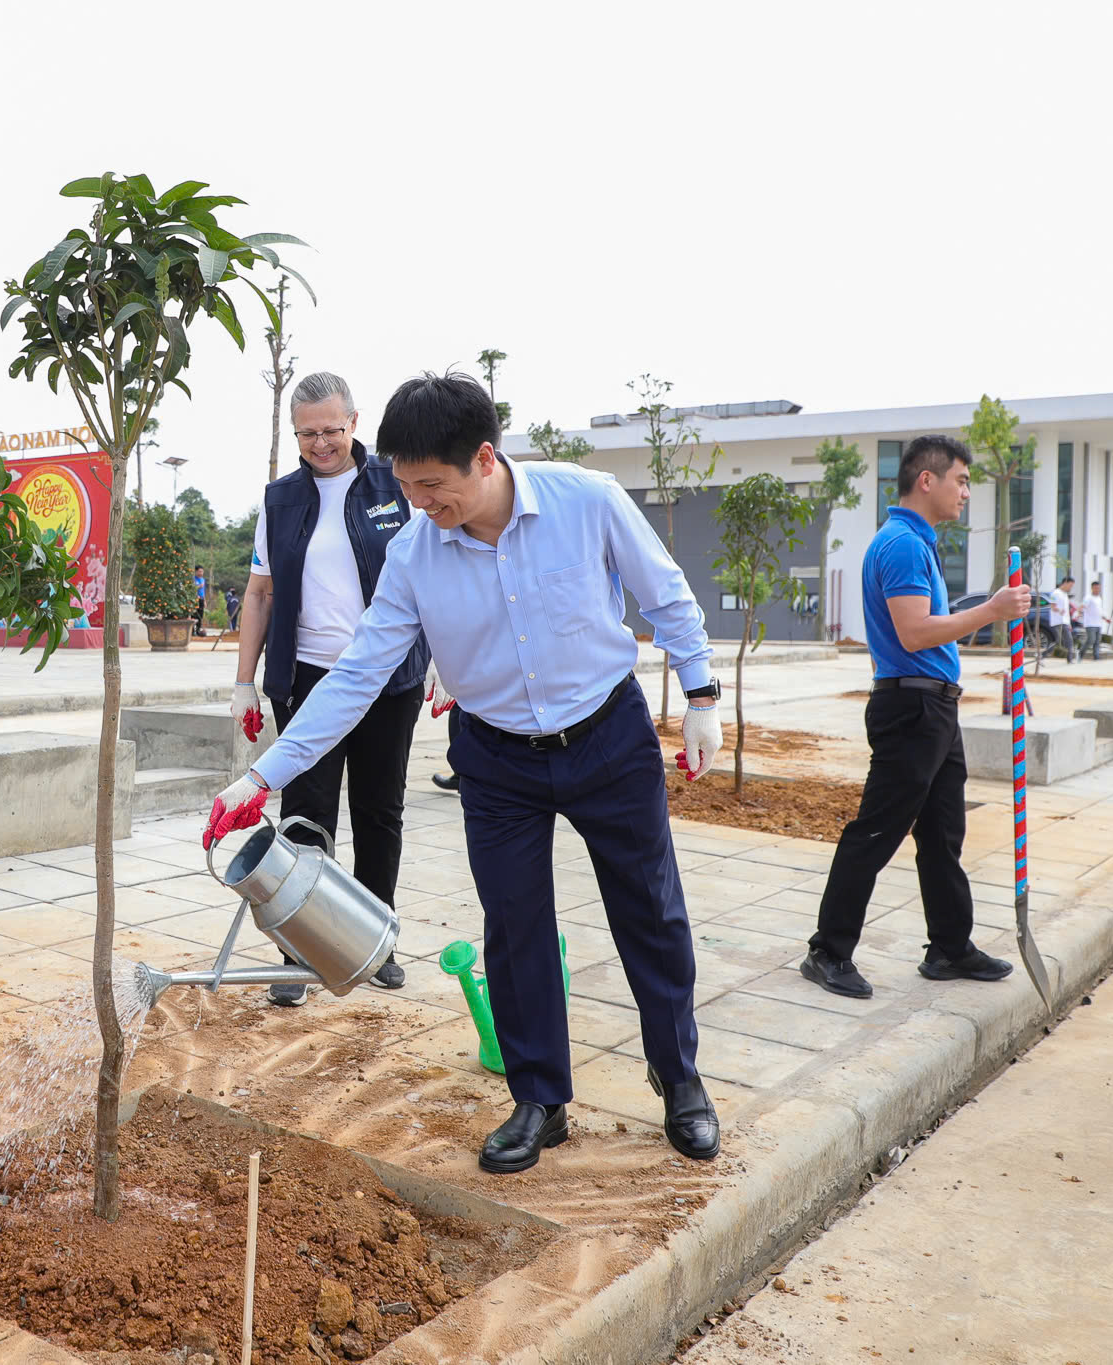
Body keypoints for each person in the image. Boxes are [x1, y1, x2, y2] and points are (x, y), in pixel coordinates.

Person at [205, 372, 726, 1173]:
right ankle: (540, 1096)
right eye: (407, 485)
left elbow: (666, 595)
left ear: (485, 458)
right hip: (496, 754)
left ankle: (680, 1075)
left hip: (605, 735)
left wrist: (700, 693)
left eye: (430, 485)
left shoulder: (586, 500)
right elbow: (355, 674)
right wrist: (263, 776)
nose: (415, 502)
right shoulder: (415, 551)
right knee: (513, 927)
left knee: (650, 910)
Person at [801, 435, 1031, 1001]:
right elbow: (915, 630)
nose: (967, 493)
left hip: (934, 706)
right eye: (961, 480)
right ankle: (827, 951)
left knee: (943, 832)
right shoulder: (901, 544)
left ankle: (950, 947)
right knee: (876, 832)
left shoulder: (917, 542)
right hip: (911, 709)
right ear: (926, 480)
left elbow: (928, 628)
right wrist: (993, 610)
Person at [230, 372, 424, 1004]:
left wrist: (443, 662)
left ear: (354, 422)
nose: (320, 444)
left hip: (387, 677)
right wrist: (244, 684)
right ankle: (298, 952)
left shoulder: (394, 484)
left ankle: (376, 940)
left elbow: (435, 577)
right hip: (307, 677)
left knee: (378, 811)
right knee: (305, 816)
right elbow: (260, 595)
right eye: (306, 434)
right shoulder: (281, 500)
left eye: (331, 431)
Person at [1047, 575, 1074, 663]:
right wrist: (1059, 610)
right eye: (1070, 585)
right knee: (1061, 641)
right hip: (1057, 621)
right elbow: (1052, 606)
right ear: (1065, 583)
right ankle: (1044, 655)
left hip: (1065, 622)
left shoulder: (1065, 595)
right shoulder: (1055, 593)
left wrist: (1069, 623)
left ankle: (1069, 659)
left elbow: (1066, 611)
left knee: (1065, 641)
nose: (1070, 587)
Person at [1080, 580, 1105, 660]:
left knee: (1097, 641)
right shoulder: (1088, 597)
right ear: (1092, 588)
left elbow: (1099, 611)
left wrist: (1105, 618)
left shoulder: (1099, 598)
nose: (1097, 590)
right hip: (1090, 623)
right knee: (1091, 640)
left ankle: (1096, 657)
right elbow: (1083, 606)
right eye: (1096, 588)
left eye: (1098, 588)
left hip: (1098, 623)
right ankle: (1080, 653)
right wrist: (1078, 612)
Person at [193, 564, 208, 632]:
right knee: (195, 614)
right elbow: (191, 589)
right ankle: (193, 630)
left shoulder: (203, 580)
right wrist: (199, 586)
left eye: (202, 571)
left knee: (200, 615)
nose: (201, 573)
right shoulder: (193, 579)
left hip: (201, 599)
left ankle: (198, 630)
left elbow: (203, 591)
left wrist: (204, 601)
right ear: (196, 571)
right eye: (199, 571)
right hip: (195, 599)